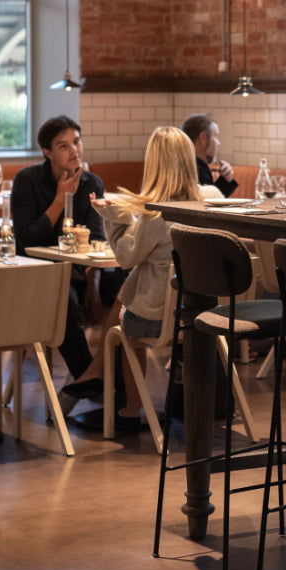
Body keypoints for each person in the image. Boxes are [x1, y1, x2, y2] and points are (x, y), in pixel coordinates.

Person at [90, 126, 201, 434]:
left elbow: (126, 258)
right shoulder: (206, 204)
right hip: (201, 315)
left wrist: (112, 219)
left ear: (155, 164)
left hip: (159, 320)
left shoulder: (156, 215)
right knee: (138, 287)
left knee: (125, 327)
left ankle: (131, 408)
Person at [11, 115, 110, 381]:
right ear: (47, 152)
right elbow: (27, 241)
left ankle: (120, 385)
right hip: (33, 275)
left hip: (76, 274)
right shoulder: (26, 181)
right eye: (64, 146)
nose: (74, 150)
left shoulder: (92, 183)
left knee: (123, 287)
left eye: (76, 142)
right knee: (61, 297)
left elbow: (95, 237)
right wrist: (60, 199)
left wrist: (94, 281)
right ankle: (89, 378)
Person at [180, 113, 238, 196]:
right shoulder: (198, 167)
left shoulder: (183, 163)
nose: (219, 143)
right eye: (215, 136)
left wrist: (226, 179)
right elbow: (208, 205)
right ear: (203, 138)